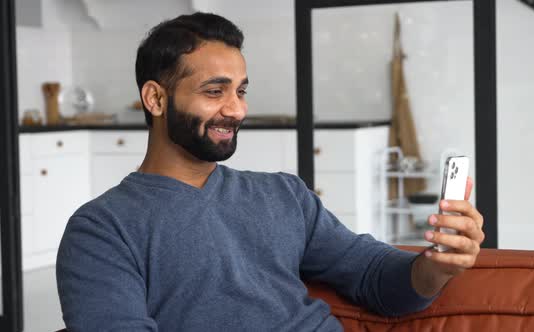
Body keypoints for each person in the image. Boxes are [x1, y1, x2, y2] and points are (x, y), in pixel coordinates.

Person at [56, 12, 485, 331]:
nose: (237, 109)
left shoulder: (284, 196)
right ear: (155, 99)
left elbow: (375, 278)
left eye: (240, 91)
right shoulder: (101, 230)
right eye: (214, 91)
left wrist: (437, 266)